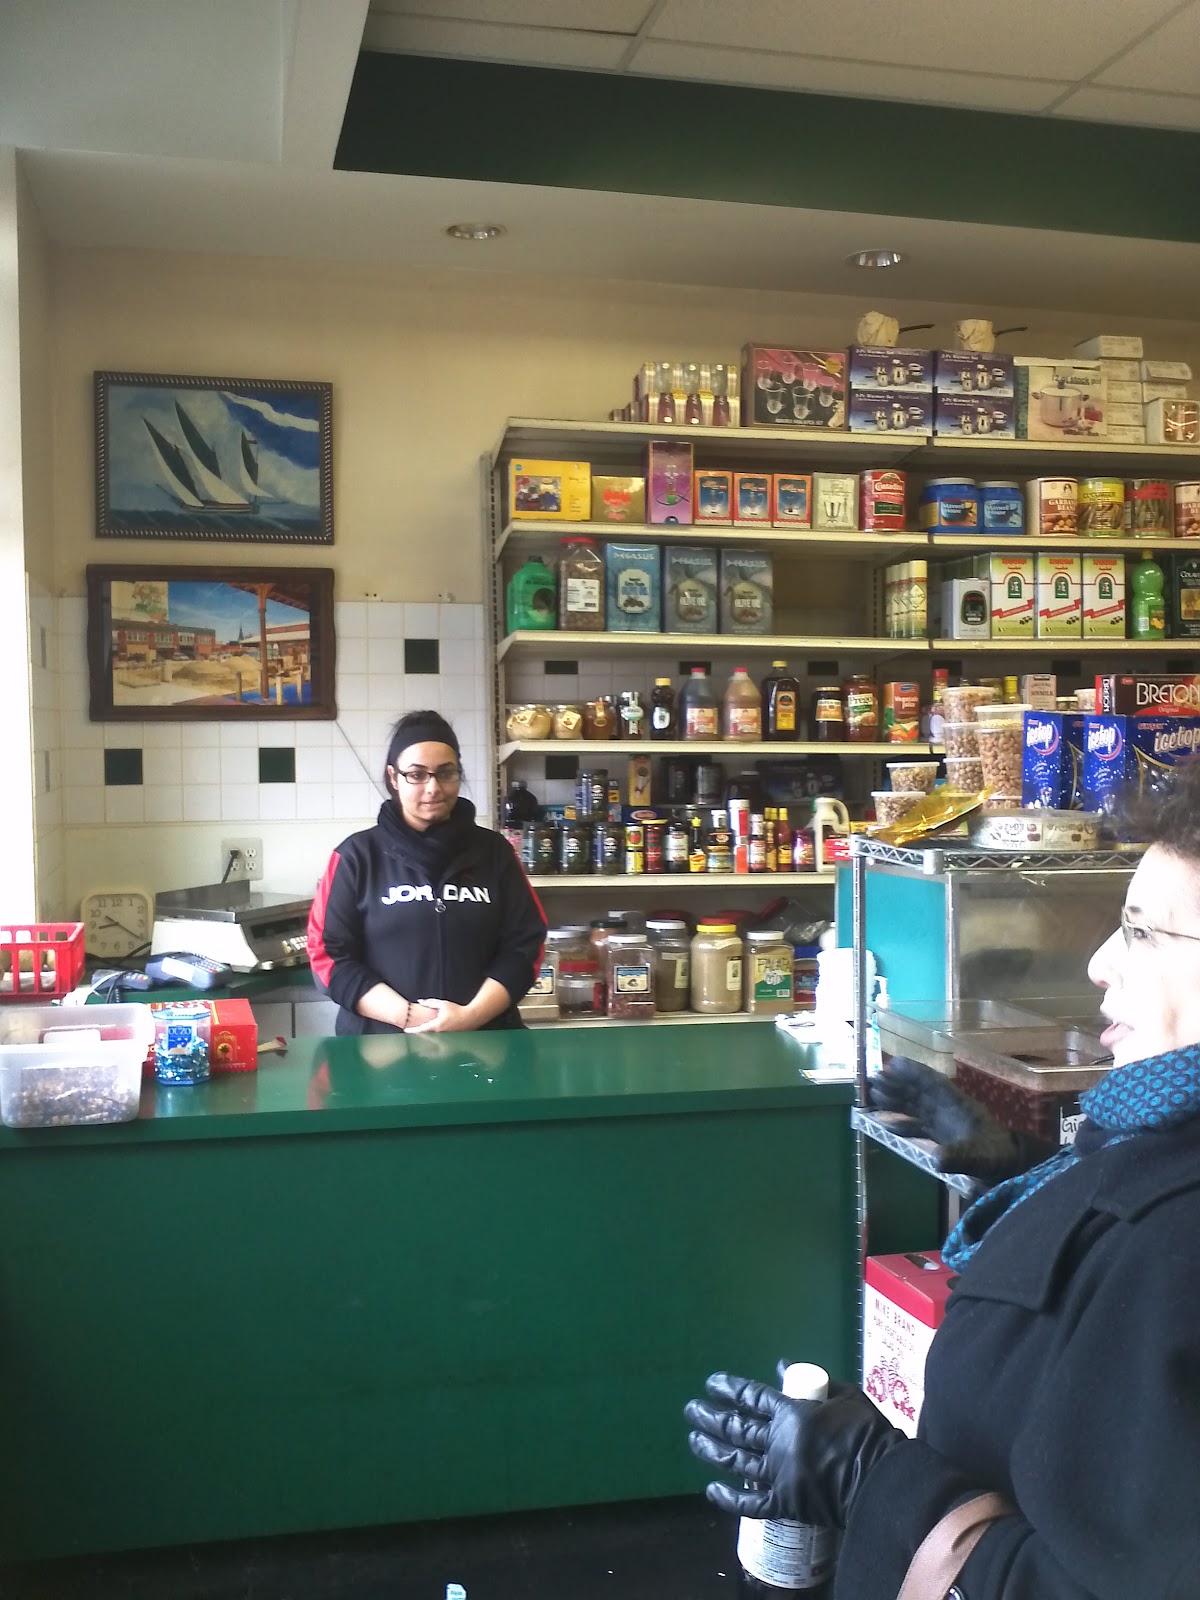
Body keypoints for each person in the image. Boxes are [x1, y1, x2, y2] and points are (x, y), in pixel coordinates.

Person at [685, 767, 1200, 1599]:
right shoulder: (1159, 1128)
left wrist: (872, 1477)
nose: (1101, 962)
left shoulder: (1178, 1254)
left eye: (1141, 931)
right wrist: (1014, 1170)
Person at [307, 710, 546, 1033]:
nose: (433, 788)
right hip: (380, 1047)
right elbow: (326, 953)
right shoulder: (356, 856)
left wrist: (471, 1016)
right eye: (417, 775)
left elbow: (526, 945)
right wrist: (407, 1016)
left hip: (486, 1042)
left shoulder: (495, 852)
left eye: (446, 773)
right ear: (393, 778)